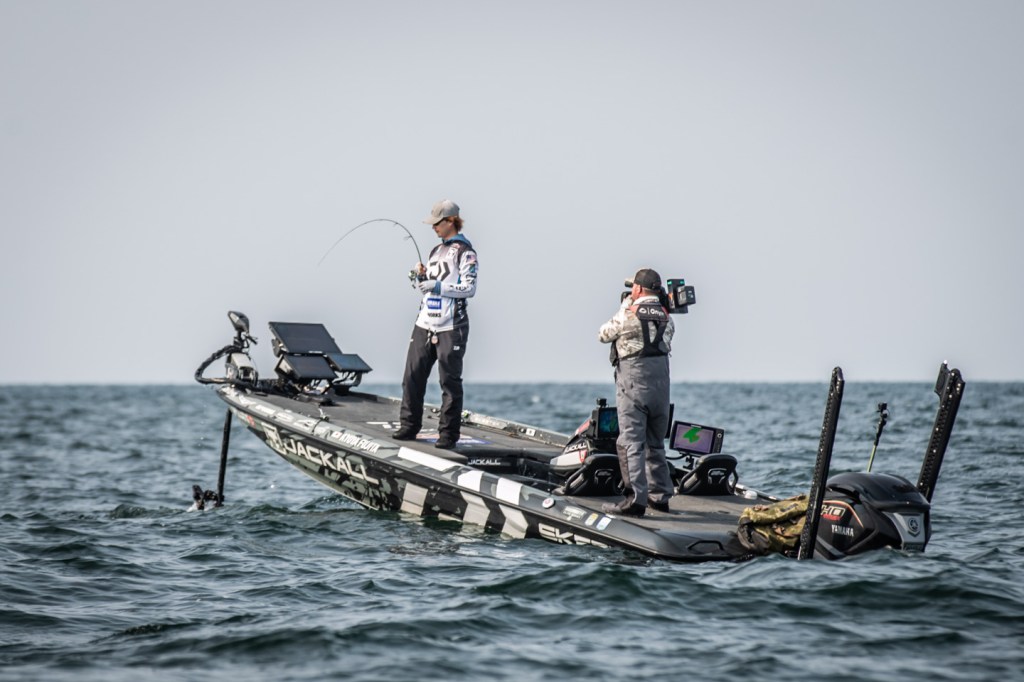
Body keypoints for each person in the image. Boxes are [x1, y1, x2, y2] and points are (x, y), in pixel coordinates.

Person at [393, 199, 478, 449]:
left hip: (451, 326)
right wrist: (420, 277)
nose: (433, 228)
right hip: (425, 322)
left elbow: (469, 288)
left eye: (437, 223)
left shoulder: (466, 252)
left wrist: (438, 285)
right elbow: (427, 288)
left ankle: (448, 435)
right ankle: (409, 426)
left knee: (449, 382)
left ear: (451, 221)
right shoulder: (434, 251)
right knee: (412, 376)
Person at [597, 267, 676, 517]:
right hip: (661, 387)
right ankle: (660, 498)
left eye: (633, 287)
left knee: (630, 442)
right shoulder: (667, 318)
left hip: (634, 384)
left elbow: (603, 334)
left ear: (639, 288)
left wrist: (625, 306)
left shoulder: (627, 314)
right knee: (656, 443)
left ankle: (635, 500)